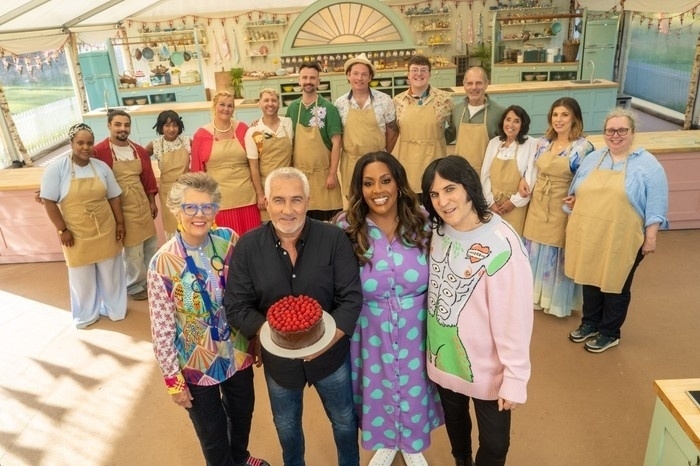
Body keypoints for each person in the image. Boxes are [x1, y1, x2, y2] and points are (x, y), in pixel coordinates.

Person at [226, 167, 362, 466]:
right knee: (287, 427)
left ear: (308, 200)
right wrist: (275, 337)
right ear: (266, 201)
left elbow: (351, 299)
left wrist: (325, 342)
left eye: (296, 200)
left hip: (331, 356)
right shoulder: (249, 246)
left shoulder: (333, 239)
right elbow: (236, 305)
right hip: (280, 362)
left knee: (344, 422)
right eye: (279, 200)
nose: (288, 210)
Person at [147, 172, 269, 466]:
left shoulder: (228, 240)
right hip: (195, 362)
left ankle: (240, 457)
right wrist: (173, 381)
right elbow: (162, 330)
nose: (199, 215)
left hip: (237, 352)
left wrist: (255, 337)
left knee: (242, 412)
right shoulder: (162, 262)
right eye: (190, 207)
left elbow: (248, 293)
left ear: (216, 209)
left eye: (207, 207)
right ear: (177, 210)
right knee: (212, 432)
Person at [421, 155, 533, 466]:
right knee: (456, 427)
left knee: (495, 445)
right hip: (444, 360)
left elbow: (516, 319)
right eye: (434, 194)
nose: (443, 201)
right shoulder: (438, 232)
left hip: (489, 370)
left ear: (469, 187)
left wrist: (515, 377)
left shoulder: (502, 244)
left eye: (450, 189)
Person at [336, 152, 443, 466]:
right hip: (368, 330)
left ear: (398, 183)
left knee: (414, 387)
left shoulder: (424, 221)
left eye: (385, 180)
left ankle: (410, 444)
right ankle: (386, 441)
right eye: (368, 183)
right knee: (377, 388)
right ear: (359, 187)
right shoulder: (345, 227)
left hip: (418, 326)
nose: (377, 189)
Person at [564, 108, 669, 353]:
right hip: (589, 232)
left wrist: (651, 237)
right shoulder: (594, 159)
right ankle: (590, 323)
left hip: (623, 237)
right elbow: (577, 189)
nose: (616, 135)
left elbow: (657, 204)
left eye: (623, 130)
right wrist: (574, 200)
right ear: (605, 133)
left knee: (616, 284)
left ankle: (609, 332)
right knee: (589, 278)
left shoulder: (647, 164)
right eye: (611, 130)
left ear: (632, 133)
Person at [39, 123, 126, 328]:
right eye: (80, 143)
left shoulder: (101, 167)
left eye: (89, 143)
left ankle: (116, 309)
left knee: (111, 272)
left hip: (105, 228)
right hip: (75, 233)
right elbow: (49, 201)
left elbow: (114, 197)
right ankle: (86, 314)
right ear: (71, 143)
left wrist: (120, 223)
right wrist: (62, 229)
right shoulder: (57, 169)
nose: (85, 147)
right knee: (82, 278)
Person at [520, 97, 594, 317]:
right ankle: (533, 296)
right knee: (534, 248)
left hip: (562, 204)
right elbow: (530, 169)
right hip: (538, 203)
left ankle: (555, 301)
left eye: (564, 115)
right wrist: (523, 179)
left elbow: (588, 178)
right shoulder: (542, 143)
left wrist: (578, 197)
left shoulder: (583, 147)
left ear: (575, 118)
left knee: (556, 251)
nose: (559, 119)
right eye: (555, 114)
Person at [94, 109, 158, 301]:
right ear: (109, 126)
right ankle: (134, 284)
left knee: (149, 244)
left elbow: (148, 178)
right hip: (120, 205)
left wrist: (152, 202)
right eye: (118, 124)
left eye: (126, 125)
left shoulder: (138, 150)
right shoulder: (99, 151)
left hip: (141, 202)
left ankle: (149, 280)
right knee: (132, 249)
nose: (123, 129)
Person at [191, 90, 261, 235]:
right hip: (219, 202)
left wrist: (258, 128)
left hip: (247, 198)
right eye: (222, 104)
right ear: (214, 106)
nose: (226, 109)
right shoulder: (201, 134)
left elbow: (256, 161)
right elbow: (197, 173)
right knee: (225, 246)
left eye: (230, 106)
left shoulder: (243, 129)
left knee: (251, 244)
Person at [334, 53, 398, 197]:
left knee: (378, 196)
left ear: (370, 77)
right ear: (348, 76)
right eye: (355, 73)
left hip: (378, 161)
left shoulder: (384, 100)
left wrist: (383, 153)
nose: (359, 78)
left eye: (364, 74)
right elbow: (337, 136)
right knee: (355, 200)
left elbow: (392, 130)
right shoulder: (339, 103)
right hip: (351, 162)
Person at [286, 61, 343, 221]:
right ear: (299, 80)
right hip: (300, 177)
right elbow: (287, 141)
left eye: (312, 78)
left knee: (329, 224)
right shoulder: (293, 108)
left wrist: (332, 174)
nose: (308, 81)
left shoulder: (328, 108)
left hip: (324, 178)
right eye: (304, 77)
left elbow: (337, 143)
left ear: (318, 81)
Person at [393, 54, 454, 194]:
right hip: (408, 162)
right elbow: (392, 131)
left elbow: (454, 127)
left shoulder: (445, 99)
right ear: (408, 75)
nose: (418, 74)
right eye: (414, 70)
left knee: (436, 198)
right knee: (411, 205)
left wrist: (439, 140)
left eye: (423, 70)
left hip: (435, 159)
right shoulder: (397, 101)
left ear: (430, 74)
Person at [480, 105, 537, 235]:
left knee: (513, 241)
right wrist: (490, 202)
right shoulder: (494, 143)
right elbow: (485, 175)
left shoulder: (531, 144)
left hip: (516, 206)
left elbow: (530, 178)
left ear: (523, 125)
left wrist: (513, 202)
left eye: (516, 121)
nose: (511, 124)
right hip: (493, 204)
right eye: (508, 119)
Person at [244, 88, 293, 222]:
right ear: (259, 104)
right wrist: (260, 194)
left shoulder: (288, 124)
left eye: (274, 100)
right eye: (266, 100)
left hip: (289, 185)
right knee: (270, 225)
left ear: (279, 103)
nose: (270, 104)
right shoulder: (254, 132)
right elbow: (253, 167)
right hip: (268, 189)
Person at [448, 66, 505, 175]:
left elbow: (508, 144)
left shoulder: (499, 112)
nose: (474, 87)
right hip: (460, 172)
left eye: (478, 83)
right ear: (464, 85)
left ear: (486, 84)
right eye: (469, 83)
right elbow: (450, 134)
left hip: (488, 172)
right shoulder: (457, 110)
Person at [146, 110, 190, 238]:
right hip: (167, 194)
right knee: (172, 227)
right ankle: (175, 255)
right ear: (160, 127)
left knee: (189, 223)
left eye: (175, 125)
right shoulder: (155, 145)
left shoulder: (186, 141)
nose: (171, 129)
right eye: (167, 125)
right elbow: (141, 160)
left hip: (186, 191)